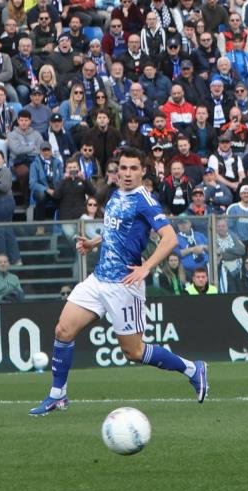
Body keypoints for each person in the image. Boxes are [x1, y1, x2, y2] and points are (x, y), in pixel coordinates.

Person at [29, 147, 210, 416]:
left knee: (134, 352)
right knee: (63, 330)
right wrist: (94, 242)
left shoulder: (145, 202)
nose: (127, 173)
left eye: (133, 168)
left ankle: (193, 369)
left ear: (143, 171)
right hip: (99, 279)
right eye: (122, 168)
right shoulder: (116, 194)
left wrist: (146, 267)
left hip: (125, 284)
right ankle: (58, 395)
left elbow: (170, 238)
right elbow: (115, 229)